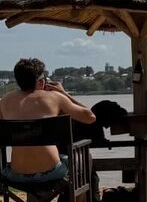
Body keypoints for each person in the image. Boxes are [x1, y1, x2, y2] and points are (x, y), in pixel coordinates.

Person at [0, 58, 96, 186]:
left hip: (16, 174)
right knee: (86, 156)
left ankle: (37, 200)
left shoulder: (4, 102)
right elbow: (90, 117)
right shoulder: (55, 98)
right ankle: (77, 200)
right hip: (53, 173)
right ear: (41, 82)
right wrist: (64, 93)